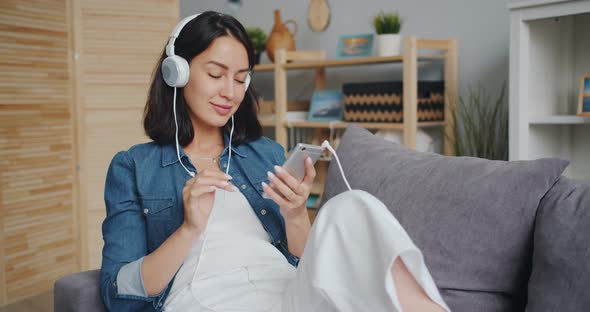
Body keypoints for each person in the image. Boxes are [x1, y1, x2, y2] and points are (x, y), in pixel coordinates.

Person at [100, 11, 450, 312]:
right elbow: (119, 293)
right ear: (177, 72)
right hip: (207, 299)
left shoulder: (264, 153)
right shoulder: (133, 167)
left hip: (286, 293)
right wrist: (189, 229)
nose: (230, 92)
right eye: (215, 74)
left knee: (353, 205)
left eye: (240, 79)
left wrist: (296, 214)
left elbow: (303, 260)